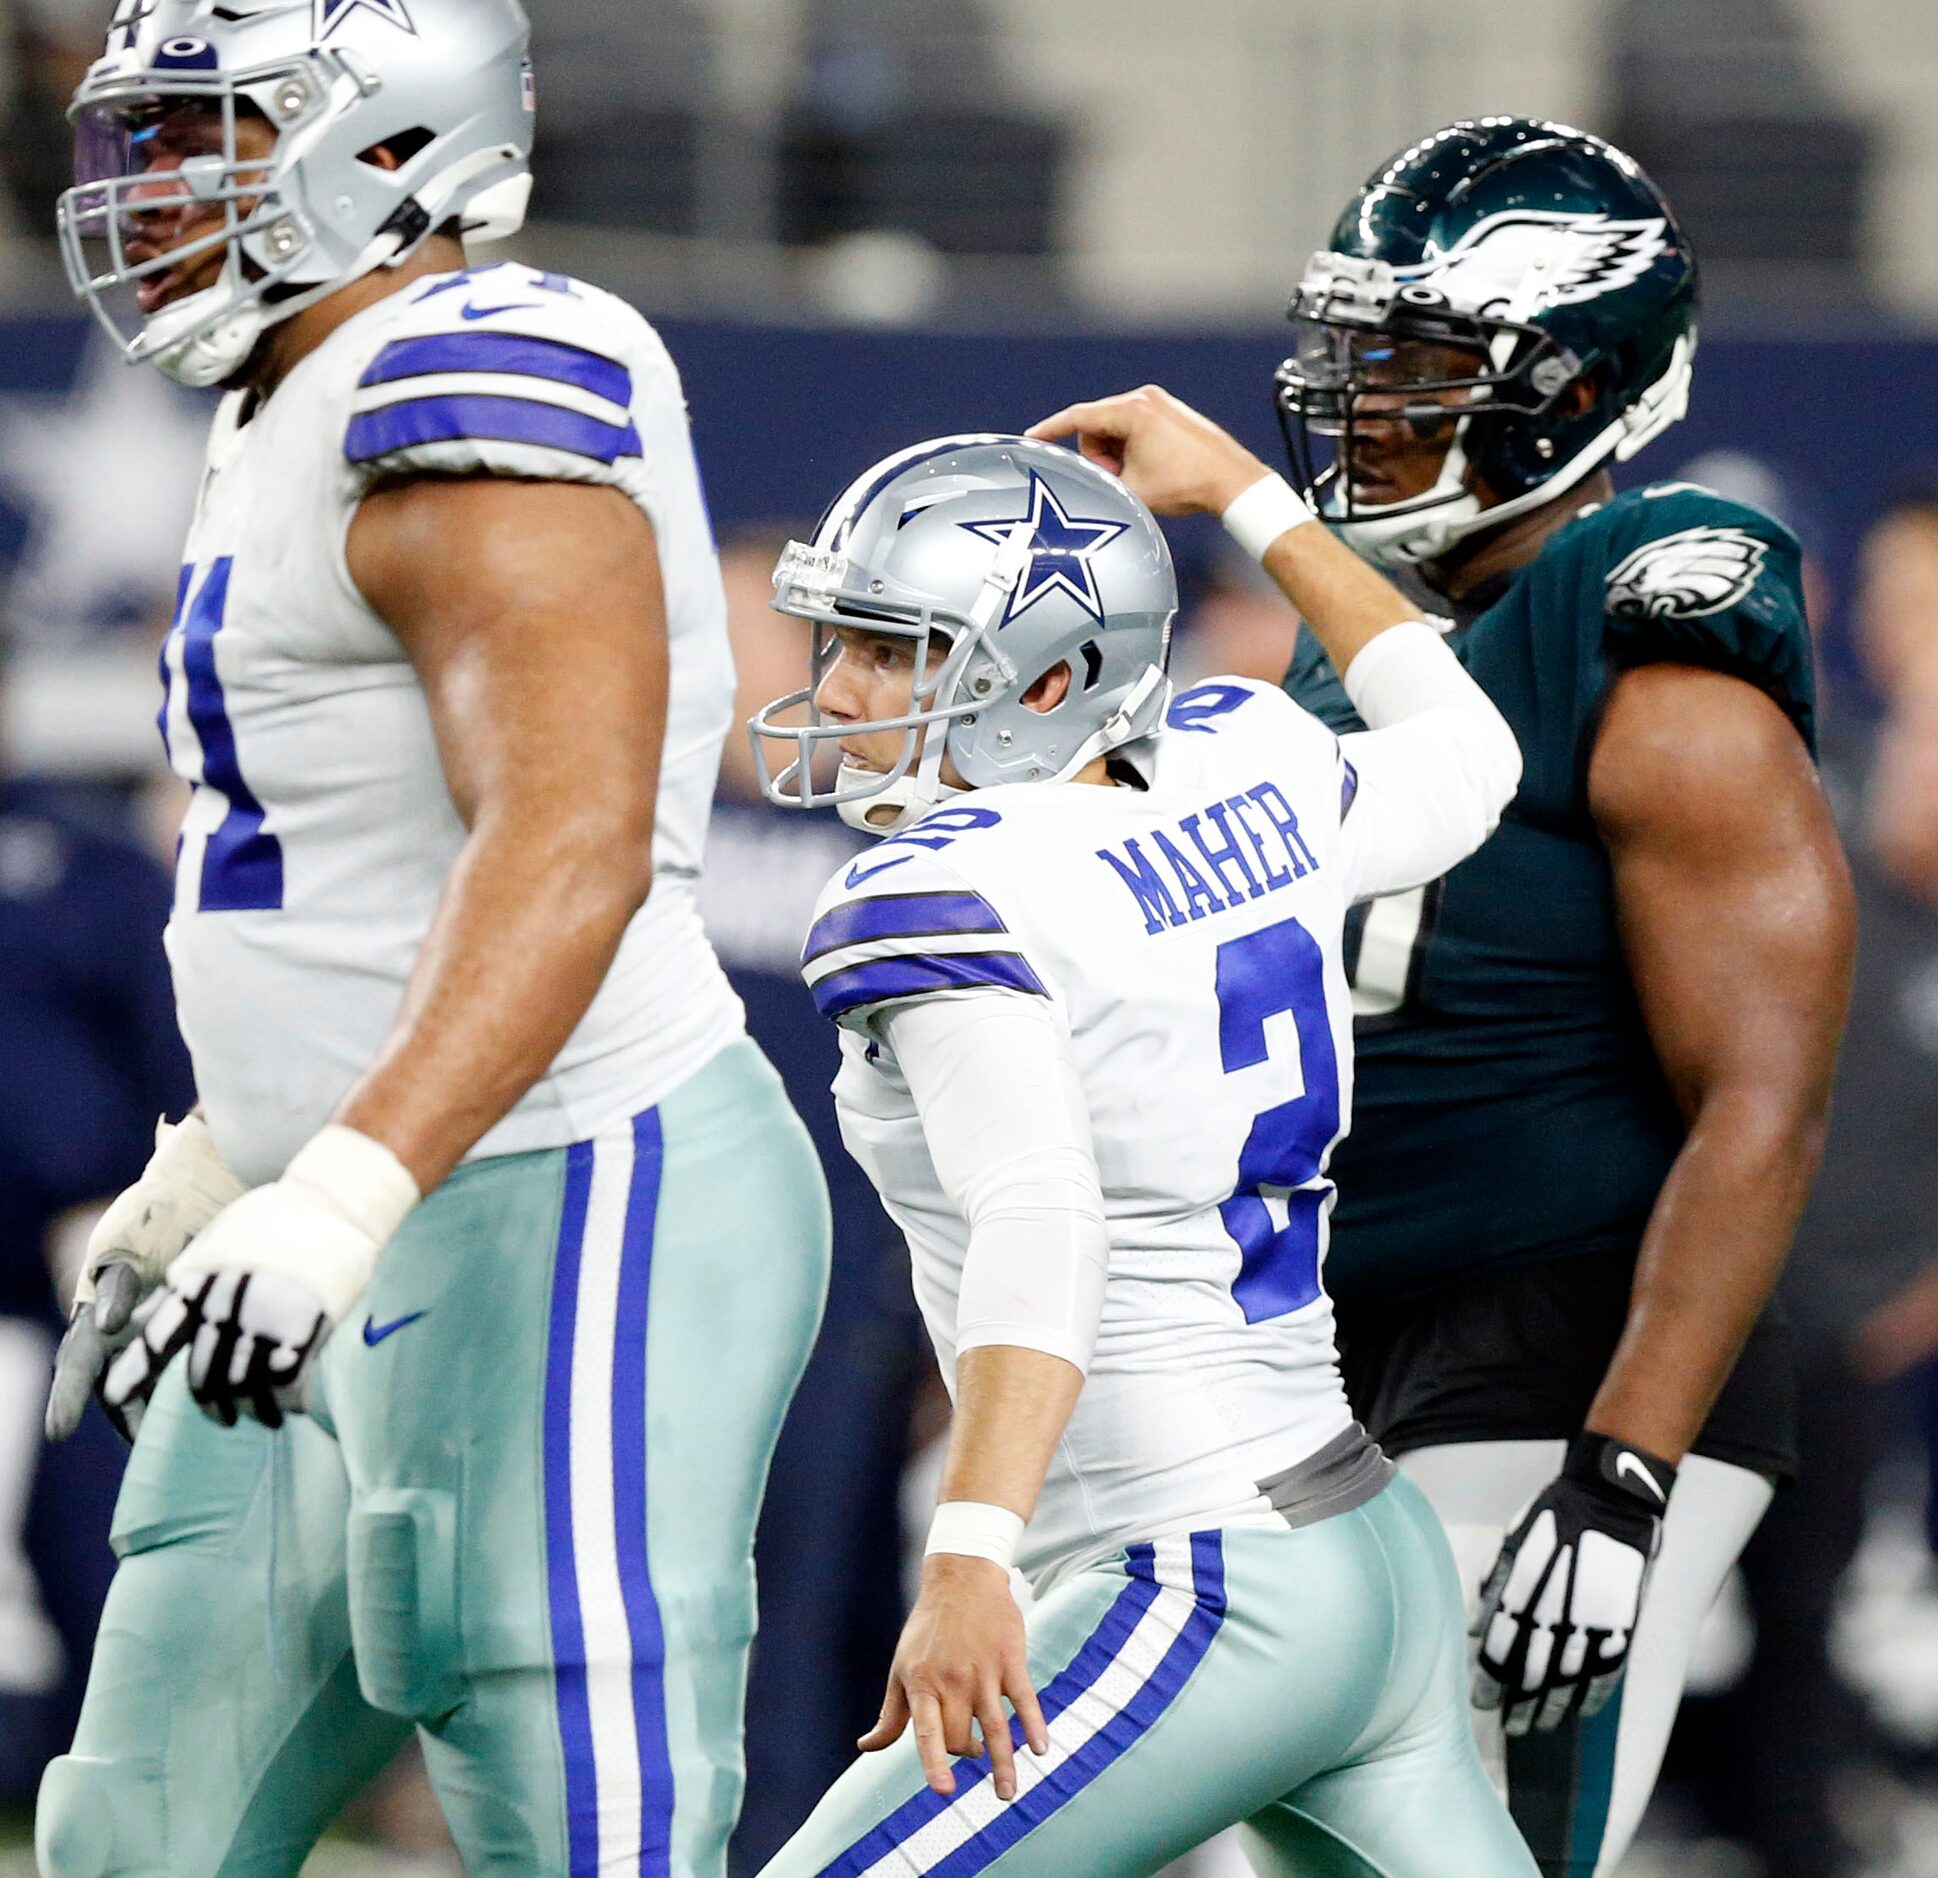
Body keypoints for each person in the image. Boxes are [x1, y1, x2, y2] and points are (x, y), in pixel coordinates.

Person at [35, 3, 829, 1873]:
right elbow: (347, 864)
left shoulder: (465, 371)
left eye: (208, 140)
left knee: (577, 1822)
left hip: (565, 1192)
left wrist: (338, 1189)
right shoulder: (287, 392)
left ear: (389, 151)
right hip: (341, 1199)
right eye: (147, 145)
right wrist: (248, 1147)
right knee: (136, 1828)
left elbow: (568, 843)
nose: (153, 192)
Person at [745, 415, 1537, 1877]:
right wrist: (1245, 489)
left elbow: (1041, 1221)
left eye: (896, 650)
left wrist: (970, 1545)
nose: (839, 689)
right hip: (1362, 1545)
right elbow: (1466, 748)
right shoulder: (1249, 758)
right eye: (842, 639)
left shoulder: (940, 889)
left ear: (1047, 681)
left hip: (1199, 1566)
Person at [1270, 118, 1855, 1875]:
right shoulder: (1355, 639)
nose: (1366, 407)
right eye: (1353, 360)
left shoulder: (1656, 658)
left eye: (1423, 367)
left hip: (1567, 1333)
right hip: (1350, 1323)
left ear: (1570, 386)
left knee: (1480, 1838)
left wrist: (1623, 1471)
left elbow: (1762, 1101)